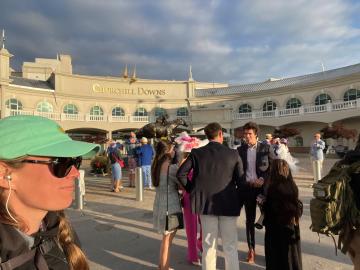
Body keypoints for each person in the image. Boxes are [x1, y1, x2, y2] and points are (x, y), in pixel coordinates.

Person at [0, 115, 99, 269]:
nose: (75, 173)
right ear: (4, 174)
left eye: (75, 162)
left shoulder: (58, 230)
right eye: (60, 162)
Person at [177, 122, 244, 270]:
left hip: (205, 204)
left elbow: (180, 174)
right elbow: (242, 181)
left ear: (207, 136)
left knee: (208, 245)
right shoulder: (233, 154)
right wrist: (238, 201)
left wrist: (192, 189)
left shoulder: (197, 153)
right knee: (230, 245)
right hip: (229, 204)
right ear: (220, 134)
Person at [237, 121, 270, 264]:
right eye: (245, 134)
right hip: (247, 189)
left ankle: (271, 251)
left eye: (249, 134)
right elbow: (237, 171)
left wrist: (263, 179)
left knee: (268, 220)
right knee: (249, 221)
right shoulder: (240, 150)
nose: (247, 136)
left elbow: (271, 169)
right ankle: (251, 250)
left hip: (262, 190)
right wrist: (244, 182)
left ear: (256, 134)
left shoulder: (266, 148)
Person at [175, 132, 208, 266]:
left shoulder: (197, 161)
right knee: (193, 227)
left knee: (201, 225)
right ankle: (193, 255)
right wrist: (189, 189)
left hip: (196, 196)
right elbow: (181, 179)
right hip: (190, 197)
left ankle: (198, 248)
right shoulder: (185, 162)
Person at [263, 159, 303, 270]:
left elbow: (270, 210)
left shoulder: (273, 188)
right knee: (292, 257)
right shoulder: (292, 186)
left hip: (276, 230)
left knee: (277, 259)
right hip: (291, 227)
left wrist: (262, 203)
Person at [152, 140, 182, 270]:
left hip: (159, 203)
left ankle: (162, 265)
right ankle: (164, 267)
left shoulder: (156, 165)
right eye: (172, 148)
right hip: (170, 205)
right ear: (167, 151)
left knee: (165, 239)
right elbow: (182, 183)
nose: (174, 150)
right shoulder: (171, 167)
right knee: (167, 240)